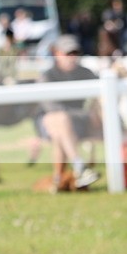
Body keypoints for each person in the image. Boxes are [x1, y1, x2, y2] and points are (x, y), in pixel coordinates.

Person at [38, 35, 100, 192]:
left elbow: (102, 92)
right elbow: (50, 106)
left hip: (73, 124)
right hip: (52, 123)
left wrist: (94, 110)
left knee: (60, 128)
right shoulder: (47, 76)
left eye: (75, 53)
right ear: (56, 53)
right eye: (68, 54)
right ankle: (79, 168)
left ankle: (59, 179)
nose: (72, 58)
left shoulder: (85, 73)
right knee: (59, 119)